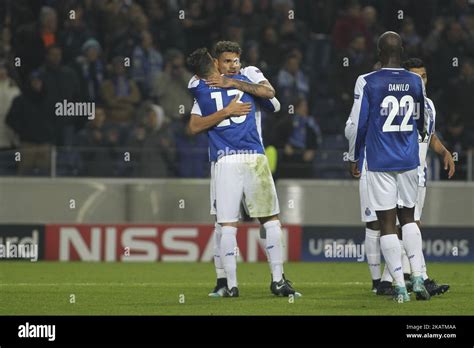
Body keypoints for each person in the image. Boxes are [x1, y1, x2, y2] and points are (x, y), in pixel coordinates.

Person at [187, 47, 300, 298]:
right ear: (216, 63)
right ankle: (226, 281)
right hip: (239, 158)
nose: (233, 65)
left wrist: (229, 82)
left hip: (231, 158)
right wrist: (228, 106)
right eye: (227, 61)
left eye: (235, 60)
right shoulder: (242, 79)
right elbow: (274, 100)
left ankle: (236, 283)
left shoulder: (206, 83)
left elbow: (271, 98)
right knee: (240, 222)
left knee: (229, 224)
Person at [346, 31, 429, 303]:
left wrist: (353, 156)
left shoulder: (367, 81)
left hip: (381, 160)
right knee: (409, 218)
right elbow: (423, 120)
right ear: (402, 50)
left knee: (386, 223)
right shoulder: (416, 80)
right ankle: (417, 277)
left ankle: (399, 285)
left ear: (379, 52)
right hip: (408, 159)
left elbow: (359, 123)